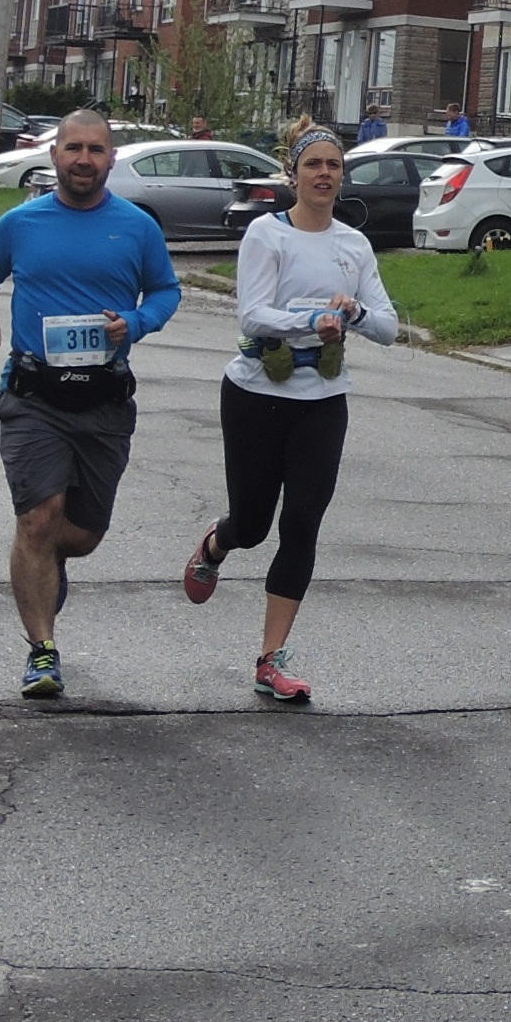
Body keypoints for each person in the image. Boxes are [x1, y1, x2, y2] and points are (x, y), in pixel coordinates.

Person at [0, 110, 181, 698]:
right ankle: (42, 650)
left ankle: (44, 566)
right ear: (54, 154)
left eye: (97, 150)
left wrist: (134, 323)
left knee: (78, 536)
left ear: (112, 159)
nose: (84, 159)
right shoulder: (21, 222)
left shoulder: (136, 227)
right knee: (37, 518)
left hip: (104, 399)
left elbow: (166, 289)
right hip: (33, 394)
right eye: (74, 148)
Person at [181, 116, 399, 702]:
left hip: (322, 402)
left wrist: (352, 314)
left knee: (301, 524)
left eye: (333, 165)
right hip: (256, 395)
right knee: (252, 525)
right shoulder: (267, 234)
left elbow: (390, 325)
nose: (324, 174)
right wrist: (311, 319)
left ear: (342, 174)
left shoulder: (354, 244)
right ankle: (215, 546)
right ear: (293, 174)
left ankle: (271, 658)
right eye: (313, 164)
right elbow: (252, 314)